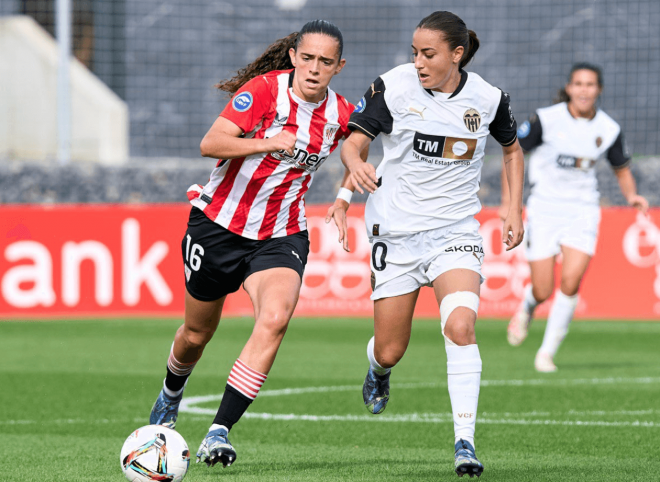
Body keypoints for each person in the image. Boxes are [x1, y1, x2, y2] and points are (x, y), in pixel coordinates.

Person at [148, 20, 355, 469]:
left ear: (339, 67)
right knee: (196, 334)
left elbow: (358, 151)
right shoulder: (263, 91)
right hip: (218, 226)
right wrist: (268, 142)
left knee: (276, 318)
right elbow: (211, 143)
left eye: (325, 62)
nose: (314, 69)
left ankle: (218, 431)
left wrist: (343, 197)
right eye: (307, 58)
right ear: (294, 56)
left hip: (281, 234)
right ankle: (171, 392)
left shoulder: (341, 112)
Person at [327, 11, 524, 478]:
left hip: (454, 233)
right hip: (394, 233)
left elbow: (512, 149)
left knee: (460, 326)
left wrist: (514, 206)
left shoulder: (489, 99)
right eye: (415, 52)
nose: (418, 62)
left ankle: (465, 442)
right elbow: (353, 144)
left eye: (428, 54)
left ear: (457, 54)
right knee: (391, 348)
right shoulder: (393, 87)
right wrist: (353, 169)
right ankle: (378, 370)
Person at [504, 63, 649, 372]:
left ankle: (546, 353)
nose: (584, 90)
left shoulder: (608, 128)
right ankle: (529, 306)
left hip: (582, 210)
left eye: (590, 85)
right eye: (579, 84)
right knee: (543, 289)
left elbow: (621, 168)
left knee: (570, 282)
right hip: (544, 208)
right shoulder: (545, 119)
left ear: (599, 90)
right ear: (569, 88)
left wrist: (632, 195)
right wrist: (510, 203)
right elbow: (513, 152)